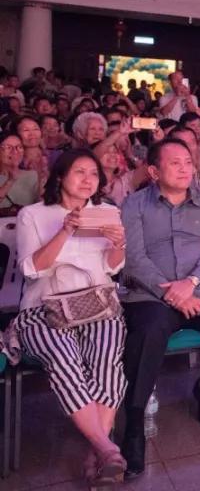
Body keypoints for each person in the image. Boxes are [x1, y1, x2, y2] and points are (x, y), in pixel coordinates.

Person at [119, 139, 200, 476]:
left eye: (188, 162)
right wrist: (171, 292)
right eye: (174, 163)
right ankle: (133, 424)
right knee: (147, 334)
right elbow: (133, 258)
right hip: (151, 294)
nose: (184, 169)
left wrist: (190, 283)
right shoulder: (134, 204)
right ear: (153, 171)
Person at [14, 149, 129, 484]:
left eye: (94, 173)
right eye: (79, 172)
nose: (88, 179)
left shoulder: (107, 211)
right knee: (64, 357)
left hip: (98, 303)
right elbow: (31, 270)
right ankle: (105, 447)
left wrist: (118, 244)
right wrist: (65, 231)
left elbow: (112, 268)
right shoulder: (33, 214)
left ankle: (99, 452)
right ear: (61, 176)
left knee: (108, 360)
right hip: (44, 306)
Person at [0, 130, 41, 215]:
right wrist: (10, 180)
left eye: (19, 147)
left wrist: (42, 178)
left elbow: (43, 207)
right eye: (8, 147)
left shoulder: (33, 175)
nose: (15, 152)